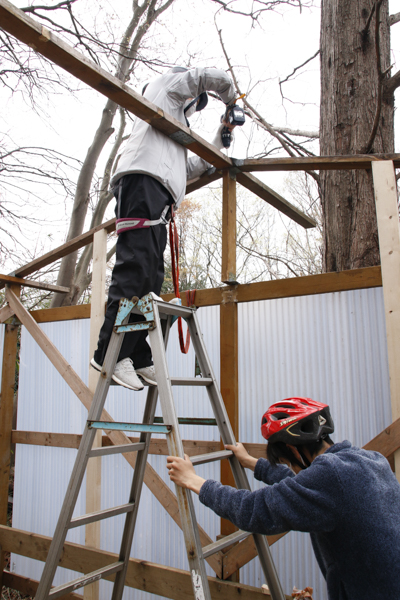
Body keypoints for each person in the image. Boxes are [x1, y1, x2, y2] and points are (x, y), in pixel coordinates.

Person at [91, 67, 236, 391]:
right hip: (142, 182)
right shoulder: (164, 90)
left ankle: (137, 354)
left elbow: (194, 167)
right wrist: (230, 100)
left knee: (151, 279)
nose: (196, 106)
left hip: (159, 197)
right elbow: (206, 77)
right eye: (196, 102)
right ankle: (107, 355)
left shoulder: (172, 133)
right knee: (134, 269)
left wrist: (221, 136)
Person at [167, 397, 400, 599]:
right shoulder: (368, 461)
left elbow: (253, 509)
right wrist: (251, 462)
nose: (290, 468)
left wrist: (194, 481)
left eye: (287, 461)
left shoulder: (330, 478)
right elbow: (302, 485)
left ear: (294, 449)